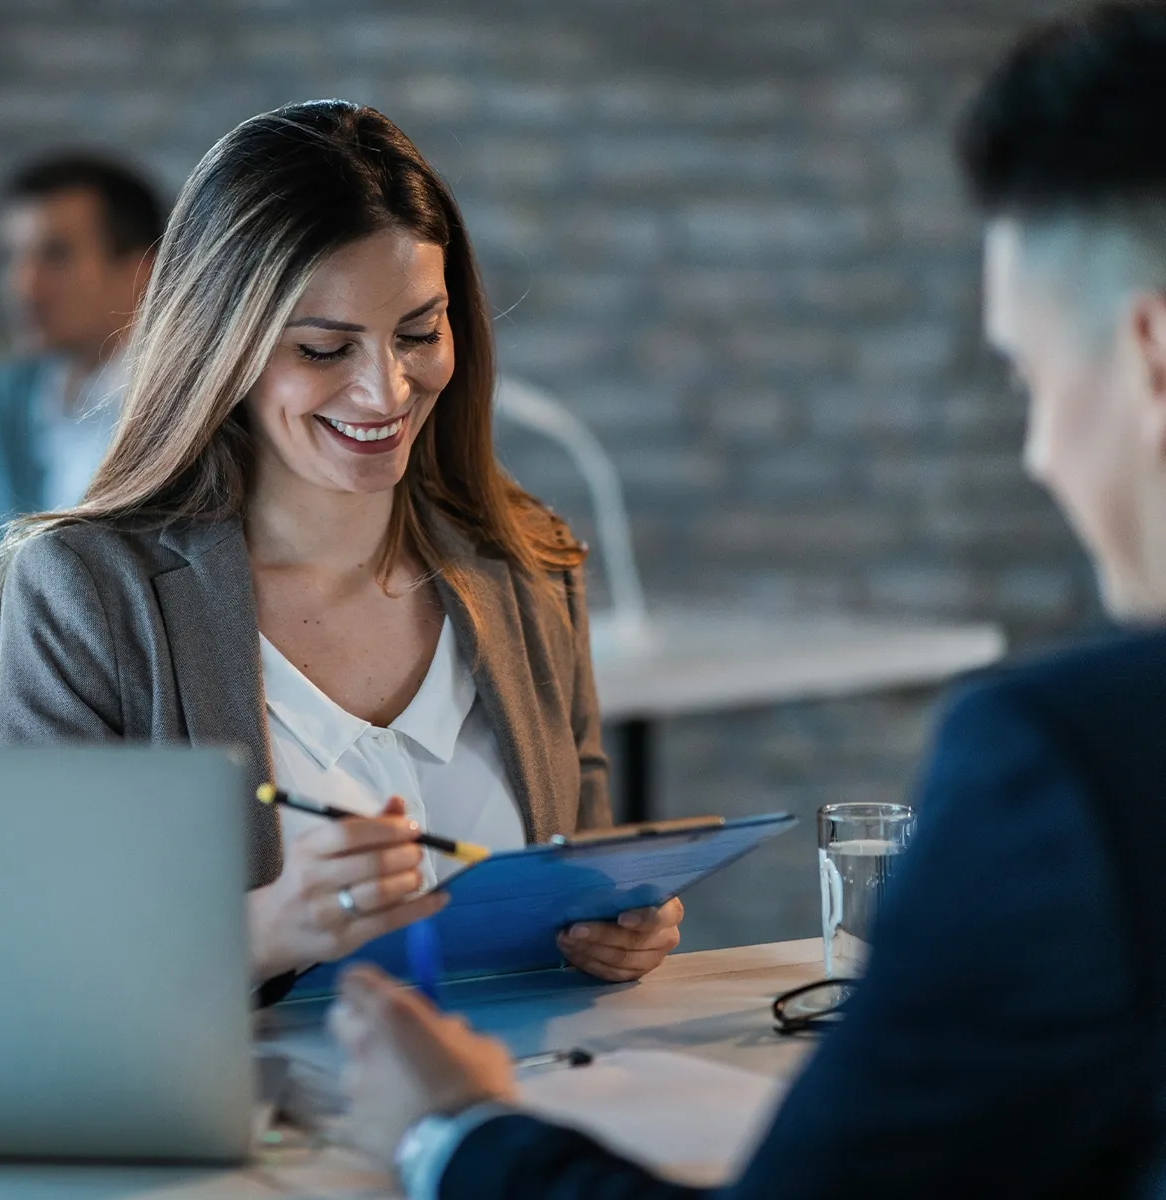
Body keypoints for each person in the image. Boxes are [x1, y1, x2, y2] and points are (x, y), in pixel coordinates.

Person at [328, 5, 1166, 1197]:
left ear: (1150, 357)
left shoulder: (1082, 762)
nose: (1037, 452)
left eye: (1031, 376)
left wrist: (449, 1134)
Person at [0, 102, 684, 999]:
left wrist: (613, 927)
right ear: (221, 345)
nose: (385, 389)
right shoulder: (90, 593)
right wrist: (260, 932)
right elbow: (33, 963)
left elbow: (579, 864)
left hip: (513, 1114)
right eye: (324, 348)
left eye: (418, 333)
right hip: (256, 1128)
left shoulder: (528, 563)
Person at [0, 155, 164, 576]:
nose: (23, 283)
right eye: (16, 256)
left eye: (56, 255)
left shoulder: (188, 404)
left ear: (140, 269)